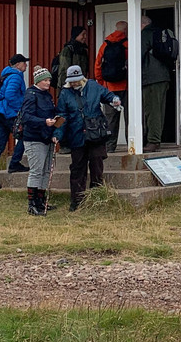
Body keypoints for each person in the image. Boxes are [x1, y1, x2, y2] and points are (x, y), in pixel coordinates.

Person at [55, 65, 122, 212]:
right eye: (71, 81)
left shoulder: (93, 86)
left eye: (76, 80)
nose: (74, 84)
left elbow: (107, 95)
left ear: (81, 78)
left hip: (95, 134)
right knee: (77, 168)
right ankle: (77, 200)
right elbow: (61, 115)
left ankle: (97, 197)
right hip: (76, 135)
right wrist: (57, 135)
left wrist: (115, 100)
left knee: (97, 165)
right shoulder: (65, 93)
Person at [18, 66, 62, 215]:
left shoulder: (47, 95)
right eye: (45, 80)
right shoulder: (31, 95)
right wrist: (44, 121)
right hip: (34, 138)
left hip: (48, 137)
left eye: (49, 79)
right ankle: (32, 204)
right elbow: (26, 117)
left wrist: (55, 125)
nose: (48, 82)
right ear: (38, 81)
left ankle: (41, 201)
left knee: (45, 171)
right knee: (36, 171)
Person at [0, 53, 29, 187]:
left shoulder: (6, 75)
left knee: (0, 144)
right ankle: (14, 163)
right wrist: (21, 108)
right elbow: (10, 95)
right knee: (24, 135)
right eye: (24, 63)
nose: (26, 65)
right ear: (18, 65)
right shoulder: (15, 77)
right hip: (9, 113)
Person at [140, 15, 173, 153]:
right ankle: (156, 139)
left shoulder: (145, 34)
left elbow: (138, 54)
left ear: (142, 24)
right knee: (159, 110)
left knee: (151, 110)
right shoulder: (160, 33)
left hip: (151, 78)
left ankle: (153, 142)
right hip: (163, 76)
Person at [94, 21, 128, 152]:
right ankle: (132, 142)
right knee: (129, 116)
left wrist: (101, 82)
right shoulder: (127, 44)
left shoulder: (105, 45)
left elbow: (98, 65)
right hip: (126, 87)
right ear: (125, 31)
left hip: (109, 88)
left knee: (110, 118)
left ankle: (109, 146)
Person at [55, 25, 90, 90]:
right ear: (76, 35)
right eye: (83, 34)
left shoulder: (83, 51)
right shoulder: (68, 50)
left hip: (80, 85)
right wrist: (65, 87)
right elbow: (64, 70)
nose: (85, 37)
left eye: (85, 34)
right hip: (69, 86)